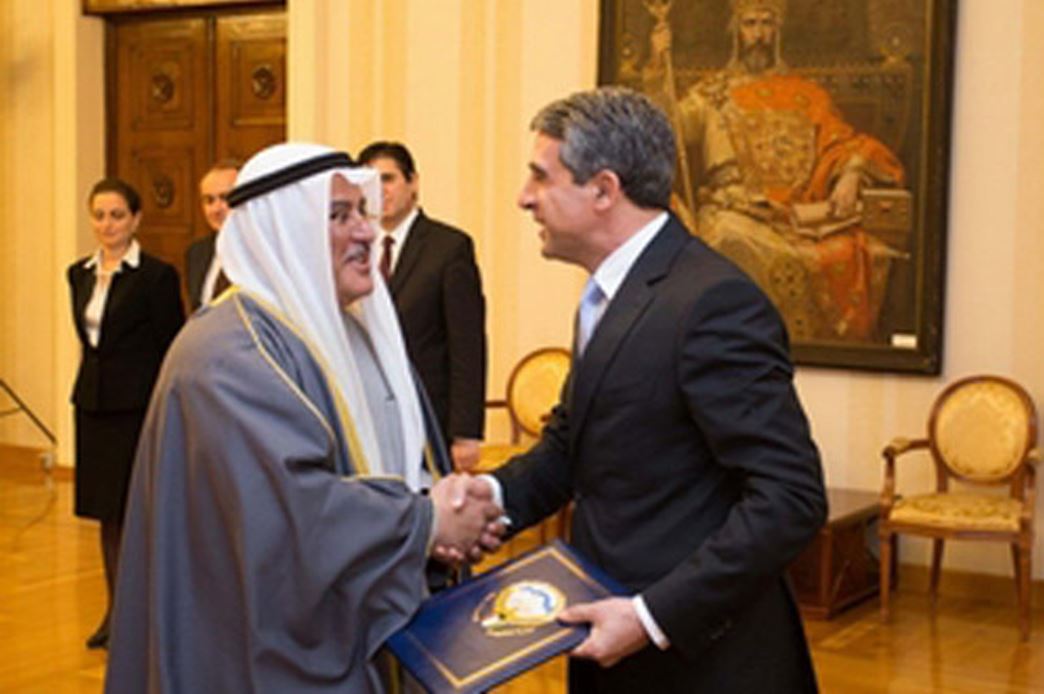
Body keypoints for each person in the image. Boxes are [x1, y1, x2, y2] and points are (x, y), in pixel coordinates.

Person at [103, 143, 502, 694]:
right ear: (284, 232)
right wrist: (426, 523)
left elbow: (409, 459)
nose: (366, 231)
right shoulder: (226, 353)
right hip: (259, 653)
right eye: (338, 216)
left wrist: (450, 516)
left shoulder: (353, 328)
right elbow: (290, 512)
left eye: (362, 211)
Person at [475, 87, 827, 692]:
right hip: (609, 633)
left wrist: (650, 617)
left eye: (541, 176)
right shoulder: (611, 294)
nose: (524, 197)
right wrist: (486, 499)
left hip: (700, 661)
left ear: (603, 190)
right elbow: (574, 446)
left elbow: (790, 497)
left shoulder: (712, 301)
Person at [644, 0, 906, 342]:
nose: (758, 34)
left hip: (798, 217)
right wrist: (656, 67)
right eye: (750, 24)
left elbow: (843, 142)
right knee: (728, 239)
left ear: (778, 31)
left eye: (766, 24)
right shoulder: (712, 93)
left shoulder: (807, 94)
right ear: (736, 32)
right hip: (734, 209)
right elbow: (665, 128)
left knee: (860, 250)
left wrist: (852, 173)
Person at [67, 177, 185, 650]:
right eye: (99, 215)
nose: (107, 224)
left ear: (136, 219)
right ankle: (115, 612)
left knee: (139, 513)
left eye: (117, 215)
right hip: (93, 408)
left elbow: (170, 345)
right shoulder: (78, 274)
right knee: (107, 516)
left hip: (137, 410)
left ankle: (146, 617)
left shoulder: (155, 276)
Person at [357, 142, 487, 472]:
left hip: (429, 419)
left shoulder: (448, 247)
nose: (380, 191)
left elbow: (467, 345)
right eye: (370, 183)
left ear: (413, 182)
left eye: (388, 179)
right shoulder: (354, 247)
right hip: (369, 419)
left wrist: (466, 433)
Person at [184, 159, 240, 310]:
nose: (216, 209)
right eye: (209, 200)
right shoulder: (197, 253)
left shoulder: (265, 251)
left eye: (225, 198)